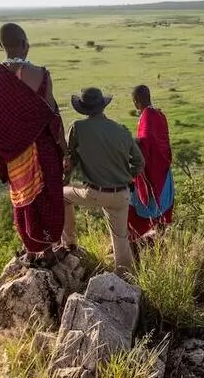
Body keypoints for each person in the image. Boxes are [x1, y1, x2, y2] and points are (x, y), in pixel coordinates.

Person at [0, 23, 67, 266]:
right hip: (43, 150)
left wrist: (6, 145)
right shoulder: (41, 74)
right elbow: (52, 116)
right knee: (48, 201)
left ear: (1, 46)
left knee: (23, 202)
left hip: (15, 154)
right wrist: (65, 150)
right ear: (26, 43)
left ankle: (30, 248)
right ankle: (48, 249)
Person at [61, 87, 144, 274]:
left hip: (95, 193)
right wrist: (125, 176)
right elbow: (139, 163)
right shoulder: (121, 130)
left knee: (61, 196)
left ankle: (69, 244)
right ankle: (125, 279)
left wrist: (65, 180)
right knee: (120, 238)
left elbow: (71, 159)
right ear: (102, 106)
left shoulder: (78, 127)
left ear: (83, 108)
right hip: (122, 194)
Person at [128, 85, 174, 248]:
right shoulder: (159, 114)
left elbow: (146, 140)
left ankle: (134, 239)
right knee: (163, 203)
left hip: (152, 169)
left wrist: (132, 142)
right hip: (163, 167)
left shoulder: (146, 116)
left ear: (135, 101)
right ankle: (159, 236)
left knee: (139, 203)